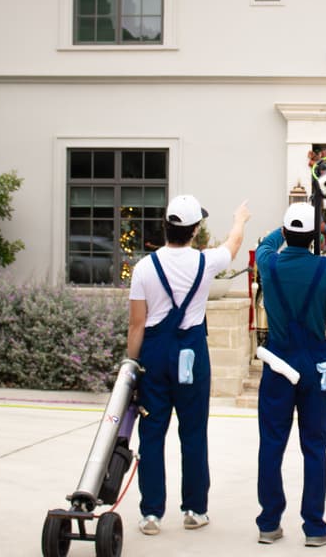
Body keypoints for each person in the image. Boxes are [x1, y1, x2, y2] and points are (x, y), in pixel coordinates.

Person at [127, 194, 250, 536]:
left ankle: (151, 514)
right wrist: (240, 218)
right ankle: (195, 509)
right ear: (195, 230)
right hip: (191, 355)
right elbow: (234, 243)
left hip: (153, 354)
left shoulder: (144, 268)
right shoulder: (206, 262)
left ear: (166, 226)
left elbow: (137, 324)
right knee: (193, 433)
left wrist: (131, 366)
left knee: (151, 434)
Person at [254, 202, 326, 547]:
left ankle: (268, 523)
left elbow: (263, 246)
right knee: (314, 446)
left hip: (278, 362)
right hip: (313, 365)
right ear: (313, 235)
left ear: (286, 232)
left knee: (272, 443)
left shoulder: (269, 263)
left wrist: (282, 229)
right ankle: (314, 527)